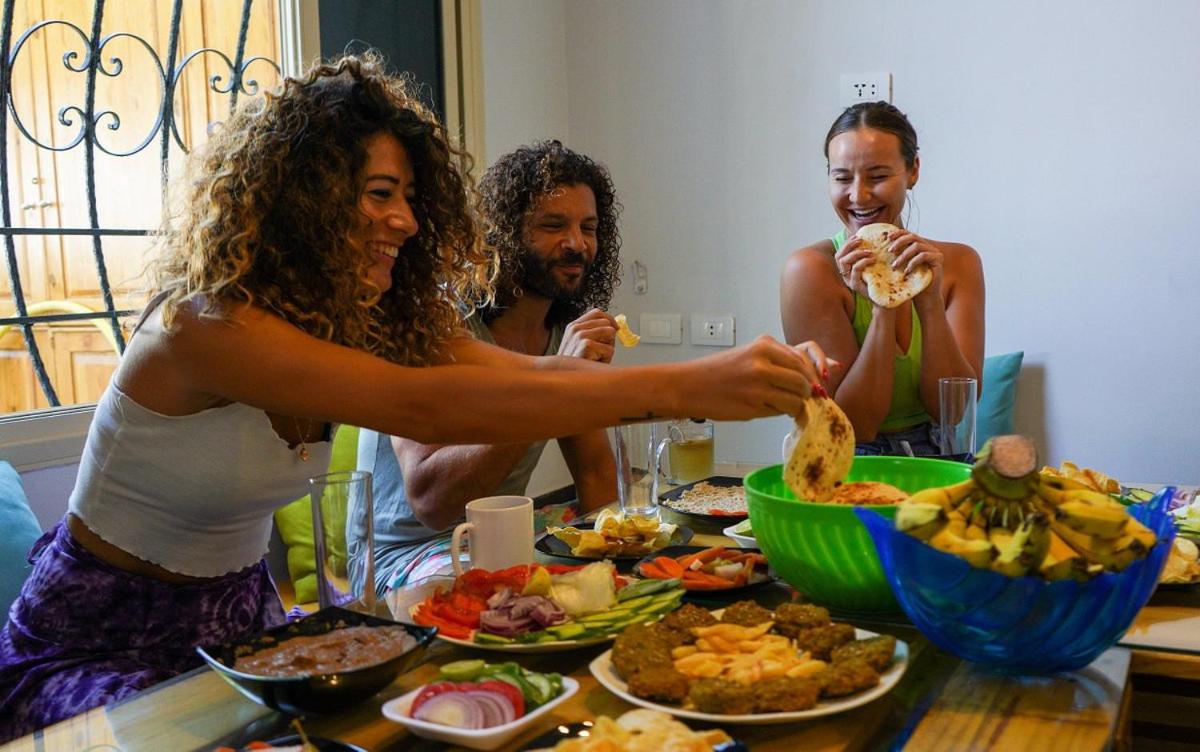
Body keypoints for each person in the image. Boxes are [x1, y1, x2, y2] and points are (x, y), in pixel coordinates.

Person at [0, 54, 829, 739]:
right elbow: (429, 407)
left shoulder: (353, 322)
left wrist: (725, 375)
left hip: (247, 629)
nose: (403, 220)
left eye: (408, 198)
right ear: (304, 198)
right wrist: (696, 386)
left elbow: (529, 375)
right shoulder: (203, 328)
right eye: (378, 194)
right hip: (96, 637)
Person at [358, 140, 623, 591]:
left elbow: (596, 473)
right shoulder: (430, 321)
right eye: (553, 225)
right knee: (527, 596)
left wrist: (623, 560)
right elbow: (431, 502)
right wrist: (554, 384)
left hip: (499, 537)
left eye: (589, 227)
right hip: (407, 555)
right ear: (505, 233)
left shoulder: (560, 333)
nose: (577, 244)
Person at [780, 101, 984, 456]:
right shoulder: (810, 271)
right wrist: (883, 306)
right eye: (842, 178)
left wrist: (929, 303)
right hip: (852, 456)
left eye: (877, 176)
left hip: (943, 454)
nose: (858, 195)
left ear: (913, 170)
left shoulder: (959, 264)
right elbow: (855, 425)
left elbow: (953, 412)